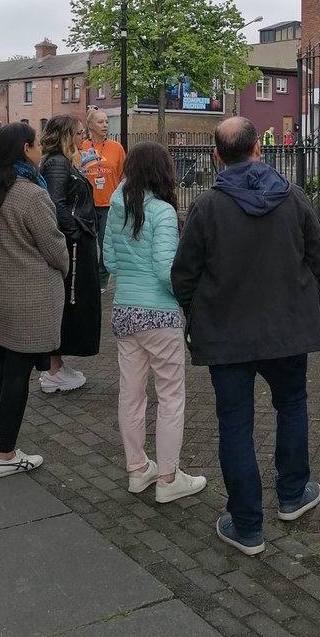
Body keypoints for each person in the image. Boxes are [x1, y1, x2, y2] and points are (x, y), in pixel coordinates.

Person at [171, 116, 320, 556]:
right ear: (259, 148)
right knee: (292, 406)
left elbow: (183, 276)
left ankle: (247, 525)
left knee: (235, 426)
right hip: (286, 330)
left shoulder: (206, 208)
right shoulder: (294, 198)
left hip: (227, 336)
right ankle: (293, 494)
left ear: (217, 156)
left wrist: (200, 313)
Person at [103, 142, 207, 504]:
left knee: (130, 395)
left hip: (125, 310)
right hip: (159, 314)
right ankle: (168, 477)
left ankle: (137, 470)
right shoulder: (162, 212)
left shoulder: (117, 208)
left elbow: (111, 262)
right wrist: (187, 296)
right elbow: (166, 271)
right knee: (170, 396)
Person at [0, 122, 69, 476]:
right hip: (30, 301)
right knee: (17, 374)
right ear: (26, 149)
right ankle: (7, 456)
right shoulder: (32, 195)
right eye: (37, 144)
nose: (41, 148)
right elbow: (56, 250)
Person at [39, 115, 101, 393]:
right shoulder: (57, 164)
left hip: (78, 241)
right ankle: (53, 370)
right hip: (73, 244)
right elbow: (56, 202)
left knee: (73, 302)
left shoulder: (63, 163)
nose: (82, 138)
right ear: (66, 135)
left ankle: (57, 364)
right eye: (78, 133)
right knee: (68, 302)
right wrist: (74, 232)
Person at [81, 107, 125, 294]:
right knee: (87, 245)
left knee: (106, 245)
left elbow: (122, 175)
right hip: (86, 204)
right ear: (90, 125)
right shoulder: (81, 147)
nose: (105, 125)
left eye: (106, 121)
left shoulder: (116, 148)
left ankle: (102, 280)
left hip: (108, 205)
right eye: (100, 122)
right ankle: (87, 278)